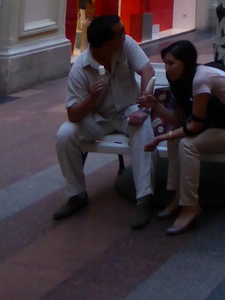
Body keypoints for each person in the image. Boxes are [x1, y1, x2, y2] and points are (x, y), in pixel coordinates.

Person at [141, 40, 225, 236]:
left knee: (187, 144)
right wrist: (156, 106)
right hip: (218, 125)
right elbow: (180, 122)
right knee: (176, 138)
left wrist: (159, 138)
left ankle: (190, 206)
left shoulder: (200, 79)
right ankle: (178, 196)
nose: (167, 68)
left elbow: (194, 126)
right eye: (166, 63)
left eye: (171, 63)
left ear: (185, 62)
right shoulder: (180, 80)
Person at [53, 14, 155, 229]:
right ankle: (77, 195)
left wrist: (144, 106)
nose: (126, 34)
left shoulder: (126, 45)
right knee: (65, 134)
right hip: (98, 118)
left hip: (129, 110)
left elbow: (147, 70)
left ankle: (144, 197)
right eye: (122, 32)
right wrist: (91, 98)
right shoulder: (80, 69)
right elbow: (73, 114)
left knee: (143, 125)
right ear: (108, 43)